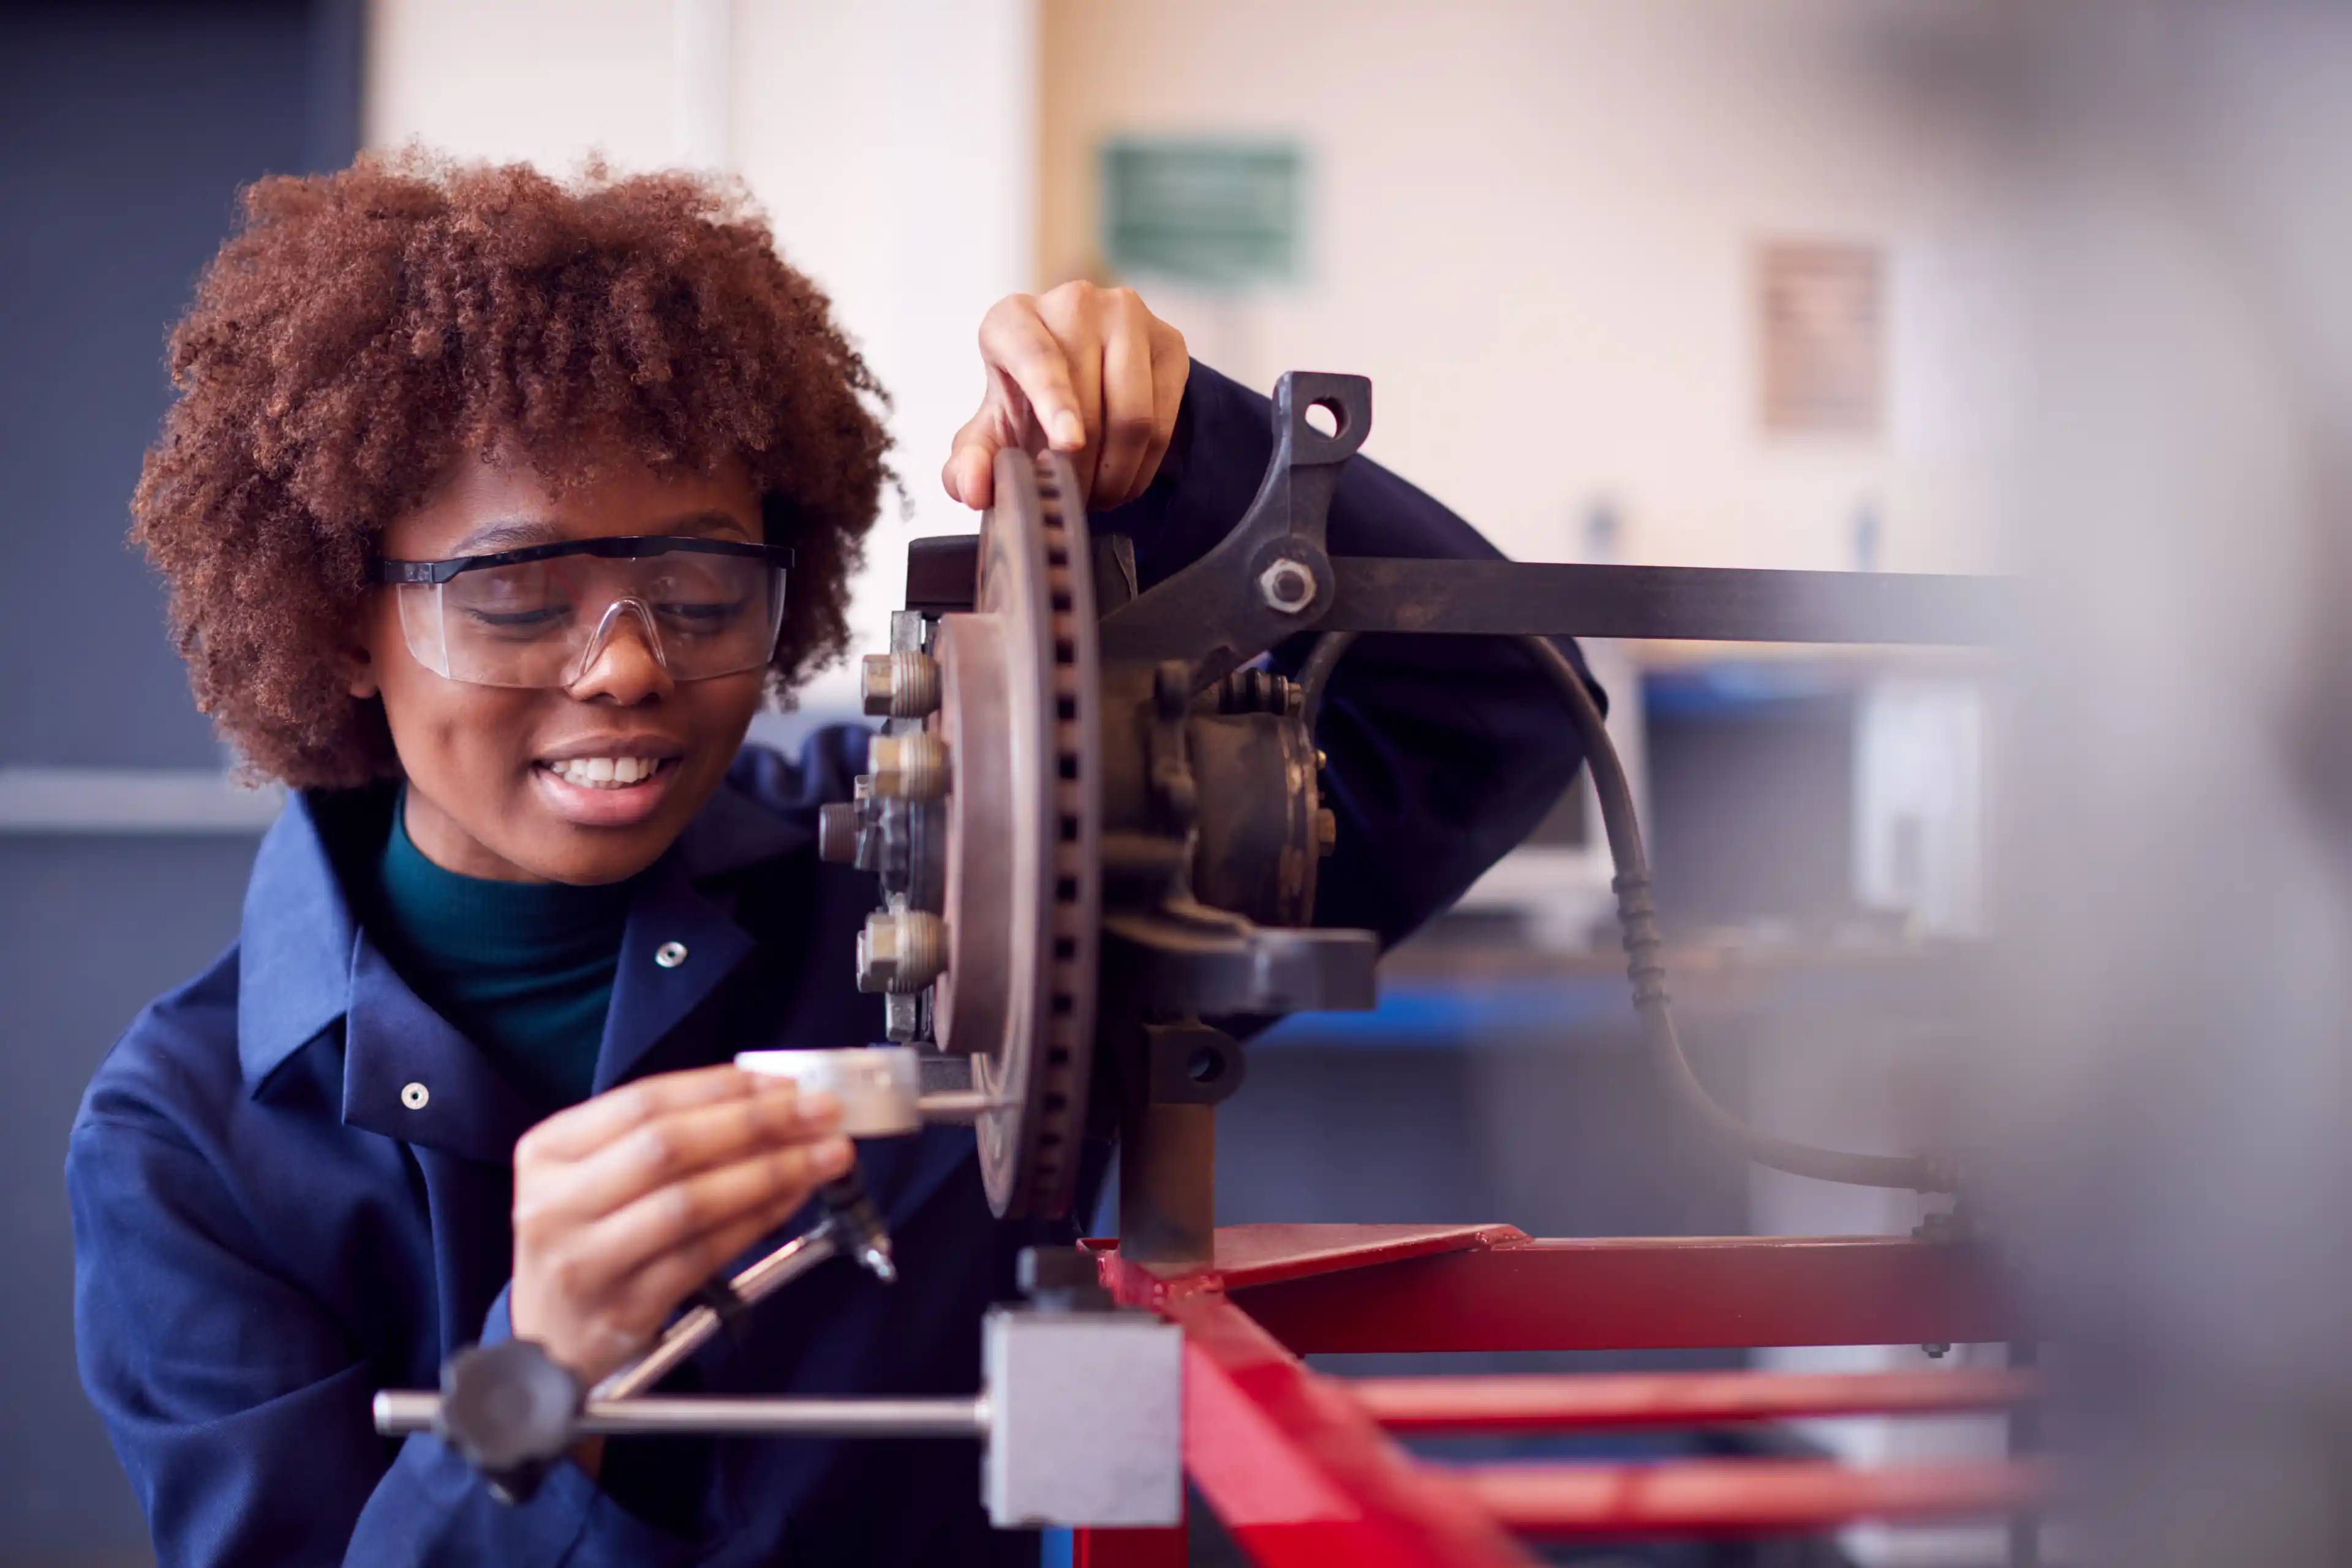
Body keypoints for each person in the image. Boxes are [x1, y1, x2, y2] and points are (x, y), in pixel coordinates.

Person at [67, 154, 1595, 1567]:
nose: (625, 668)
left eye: (698, 582)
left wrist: (1192, 447)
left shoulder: (955, 852)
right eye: (520, 590)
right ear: (344, 620)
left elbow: (1499, 713)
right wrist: (537, 1385)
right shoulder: (183, 1139)